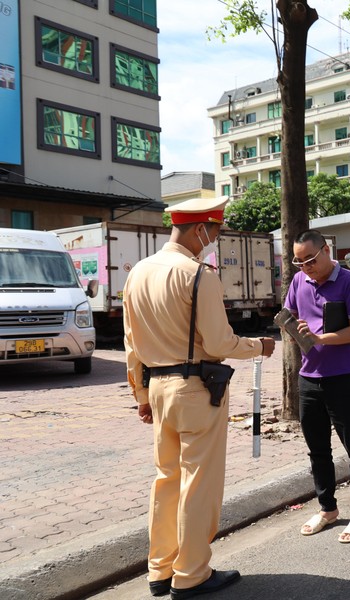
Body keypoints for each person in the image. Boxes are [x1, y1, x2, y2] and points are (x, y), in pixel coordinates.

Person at [123, 196, 276, 598]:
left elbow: (131, 345)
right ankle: (190, 574)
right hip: (195, 389)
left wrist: (140, 393)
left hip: (157, 388)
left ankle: (160, 569)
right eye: (215, 231)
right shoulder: (198, 275)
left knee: (166, 480)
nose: (215, 239)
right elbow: (219, 341)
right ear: (199, 229)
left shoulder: (138, 272)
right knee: (197, 483)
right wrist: (258, 346)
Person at [282, 229, 350, 543]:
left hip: (343, 377)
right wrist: (293, 328)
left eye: (310, 259)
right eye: (299, 262)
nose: (305, 266)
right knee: (317, 450)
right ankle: (327, 508)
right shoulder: (299, 282)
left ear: (326, 250)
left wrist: (320, 337)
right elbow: (292, 315)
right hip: (309, 378)